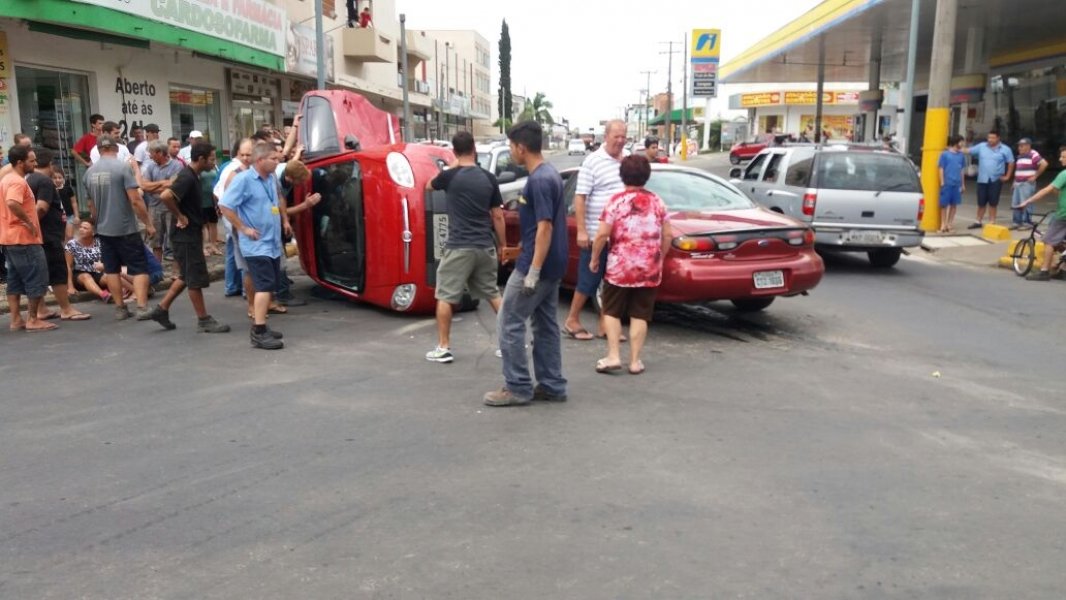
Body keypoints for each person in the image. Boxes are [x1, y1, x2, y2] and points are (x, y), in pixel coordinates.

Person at [483, 121, 568, 407]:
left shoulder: (540, 180)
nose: (510, 152)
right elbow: (540, 228)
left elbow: (545, 227)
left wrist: (532, 271)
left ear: (521, 147)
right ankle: (552, 384)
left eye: (510, 146)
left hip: (537, 266)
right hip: (551, 262)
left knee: (509, 320)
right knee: (545, 324)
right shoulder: (549, 174)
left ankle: (517, 386)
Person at [424, 130, 507, 363]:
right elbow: (498, 215)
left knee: (445, 296)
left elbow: (428, 185)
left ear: (454, 151)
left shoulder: (449, 176)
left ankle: (444, 347)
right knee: (493, 294)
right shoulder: (489, 178)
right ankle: (510, 343)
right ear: (474, 149)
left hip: (459, 246)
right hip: (484, 245)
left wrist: (452, 165)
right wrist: (503, 245)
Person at [589, 155, 673, 375]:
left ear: (622, 175)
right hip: (648, 268)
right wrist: (660, 257)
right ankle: (635, 361)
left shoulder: (615, 201)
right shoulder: (658, 202)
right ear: (647, 176)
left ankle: (613, 355)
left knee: (611, 310)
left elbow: (602, 235)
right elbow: (668, 235)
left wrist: (595, 257)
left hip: (619, 268)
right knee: (640, 313)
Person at [145, 142, 230, 333]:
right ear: (201, 159)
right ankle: (203, 320)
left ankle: (161, 309)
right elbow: (166, 196)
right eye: (211, 159)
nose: (213, 162)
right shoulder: (187, 176)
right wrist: (180, 216)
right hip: (185, 236)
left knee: (185, 275)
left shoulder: (192, 175)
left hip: (190, 234)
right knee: (194, 278)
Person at [219, 142, 290, 349]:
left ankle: (262, 327)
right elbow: (225, 205)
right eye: (273, 159)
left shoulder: (270, 178)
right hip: (256, 245)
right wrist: (243, 228)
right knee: (264, 286)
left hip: (271, 242)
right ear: (260, 160)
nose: (277, 162)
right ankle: (258, 331)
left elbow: (276, 201)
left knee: (269, 285)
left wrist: (284, 221)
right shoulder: (243, 180)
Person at [563, 119, 627, 341]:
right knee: (589, 278)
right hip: (595, 232)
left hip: (620, 236)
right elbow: (580, 197)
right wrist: (581, 231)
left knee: (612, 281)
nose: (620, 141)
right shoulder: (593, 161)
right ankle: (572, 319)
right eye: (616, 136)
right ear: (606, 136)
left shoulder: (627, 158)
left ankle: (605, 323)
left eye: (623, 136)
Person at [83, 135, 156, 320]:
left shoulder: (89, 173)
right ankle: (142, 307)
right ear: (116, 148)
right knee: (139, 267)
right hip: (125, 228)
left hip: (103, 229)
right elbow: (135, 199)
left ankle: (120, 308)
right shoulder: (123, 167)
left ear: (99, 150)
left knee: (111, 269)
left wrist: (97, 223)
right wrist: (148, 223)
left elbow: (91, 206)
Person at [27, 148, 91, 321]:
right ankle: (66, 308)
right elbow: (41, 208)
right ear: (50, 164)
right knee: (58, 272)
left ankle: (41, 309)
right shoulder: (44, 181)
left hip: (41, 234)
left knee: (40, 272)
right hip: (49, 235)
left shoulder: (29, 179)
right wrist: (31, 224)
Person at [1, 145, 57, 332]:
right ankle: (33, 319)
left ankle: (16, 319)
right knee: (37, 277)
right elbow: (12, 202)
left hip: (10, 238)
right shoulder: (17, 182)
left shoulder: (6, 179)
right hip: (23, 238)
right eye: (31, 161)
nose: (35, 163)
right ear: (20, 162)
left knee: (15, 280)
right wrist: (29, 222)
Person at [1018, 147, 1066, 281]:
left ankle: (1044, 271)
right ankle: (1063, 270)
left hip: (1063, 215)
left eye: (1064, 157)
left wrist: (1028, 201)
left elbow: (1047, 190)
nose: (1060, 159)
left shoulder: (1064, 174)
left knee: (1049, 241)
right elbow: (1058, 191)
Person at [215, 138, 254, 297]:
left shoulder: (249, 171)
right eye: (242, 154)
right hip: (237, 221)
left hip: (234, 221)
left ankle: (232, 287)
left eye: (248, 155)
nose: (245, 158)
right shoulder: (235, 172)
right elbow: (224, 201)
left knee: (233, 252)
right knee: (244, 257)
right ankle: (245, 291)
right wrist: (239, 225)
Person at [66, 220, 133, 302]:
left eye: (85, 228)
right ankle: (104, 295)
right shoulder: (72, 244)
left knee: (109, 276)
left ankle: (136, 290)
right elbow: (68, 265)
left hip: (97, 272)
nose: (81, 230)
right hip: (79, 275)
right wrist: (70, 286)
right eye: (80, 227)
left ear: (93, 232)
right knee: (86, 276)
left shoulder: (99, 242)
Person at [140, 139, 184, 262]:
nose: (149, 156)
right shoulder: (151, 166)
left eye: (151, 153)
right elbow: (144, 186)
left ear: (159, 153)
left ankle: (177, 269)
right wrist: (163, 183)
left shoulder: (177, 165)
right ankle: (157, 268)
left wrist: (153, 187)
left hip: (171, 208)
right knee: (156, 241)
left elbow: (172, 186)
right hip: (154, 208)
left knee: (174, 240)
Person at [965, 131, 1014, 229]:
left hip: (996, 179)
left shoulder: (1005, 149)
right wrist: (953, 148)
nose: (990, 140)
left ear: (998, 138)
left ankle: (992, 222)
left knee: (993, 202)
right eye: (989, 138)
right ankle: (978, 221)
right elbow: (968, 151)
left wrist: (1007, 176)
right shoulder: (982, 146)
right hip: (982, 179)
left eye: (993, 138)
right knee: (981, 201)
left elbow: (1011, 162)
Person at [1011, 138, 1048, 229]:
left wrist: (1035, 176)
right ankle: (1017, 222)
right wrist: (1014, 181)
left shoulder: (1033, 154)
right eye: (1019, 146)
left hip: (1026, 183)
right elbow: (1018, 170)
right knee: (1016, 202)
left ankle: (1027, 222)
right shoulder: (1020, 156)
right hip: (1018, 183)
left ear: (1028, 146)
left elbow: (1044, 164)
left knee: (1027, 202)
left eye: (1022, 146)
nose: (1019, 148)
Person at [937, 135, 966, 233]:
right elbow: (941, 168)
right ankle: (943, 224)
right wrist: (942, 181)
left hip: (957, 183)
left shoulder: (961, 155)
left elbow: (962, 170)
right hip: (947, 183)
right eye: (961, 142)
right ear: (956, 142)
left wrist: (963, 184)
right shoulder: (945, 154)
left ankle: (949, 224)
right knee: (944, 205)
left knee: (954, 205)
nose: (962, 144)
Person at [199, 158, 221, 256]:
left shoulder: (215, 168)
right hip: (202, 201)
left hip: (213, 200)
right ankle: (203, 247)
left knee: (213, 223)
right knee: (203, 225)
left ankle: (213, 246)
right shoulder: (200, 170)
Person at [52, 168, 79, 241]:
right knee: (60, 237)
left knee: (69, 236)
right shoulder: (50, 189)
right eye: (55, 178)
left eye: (59, 177)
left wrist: (76, 216)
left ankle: (70, 247)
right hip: (57, 217)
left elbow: (74, 202)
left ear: (63, 178)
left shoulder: (68, 188)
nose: (57, 180)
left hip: (69, 215)